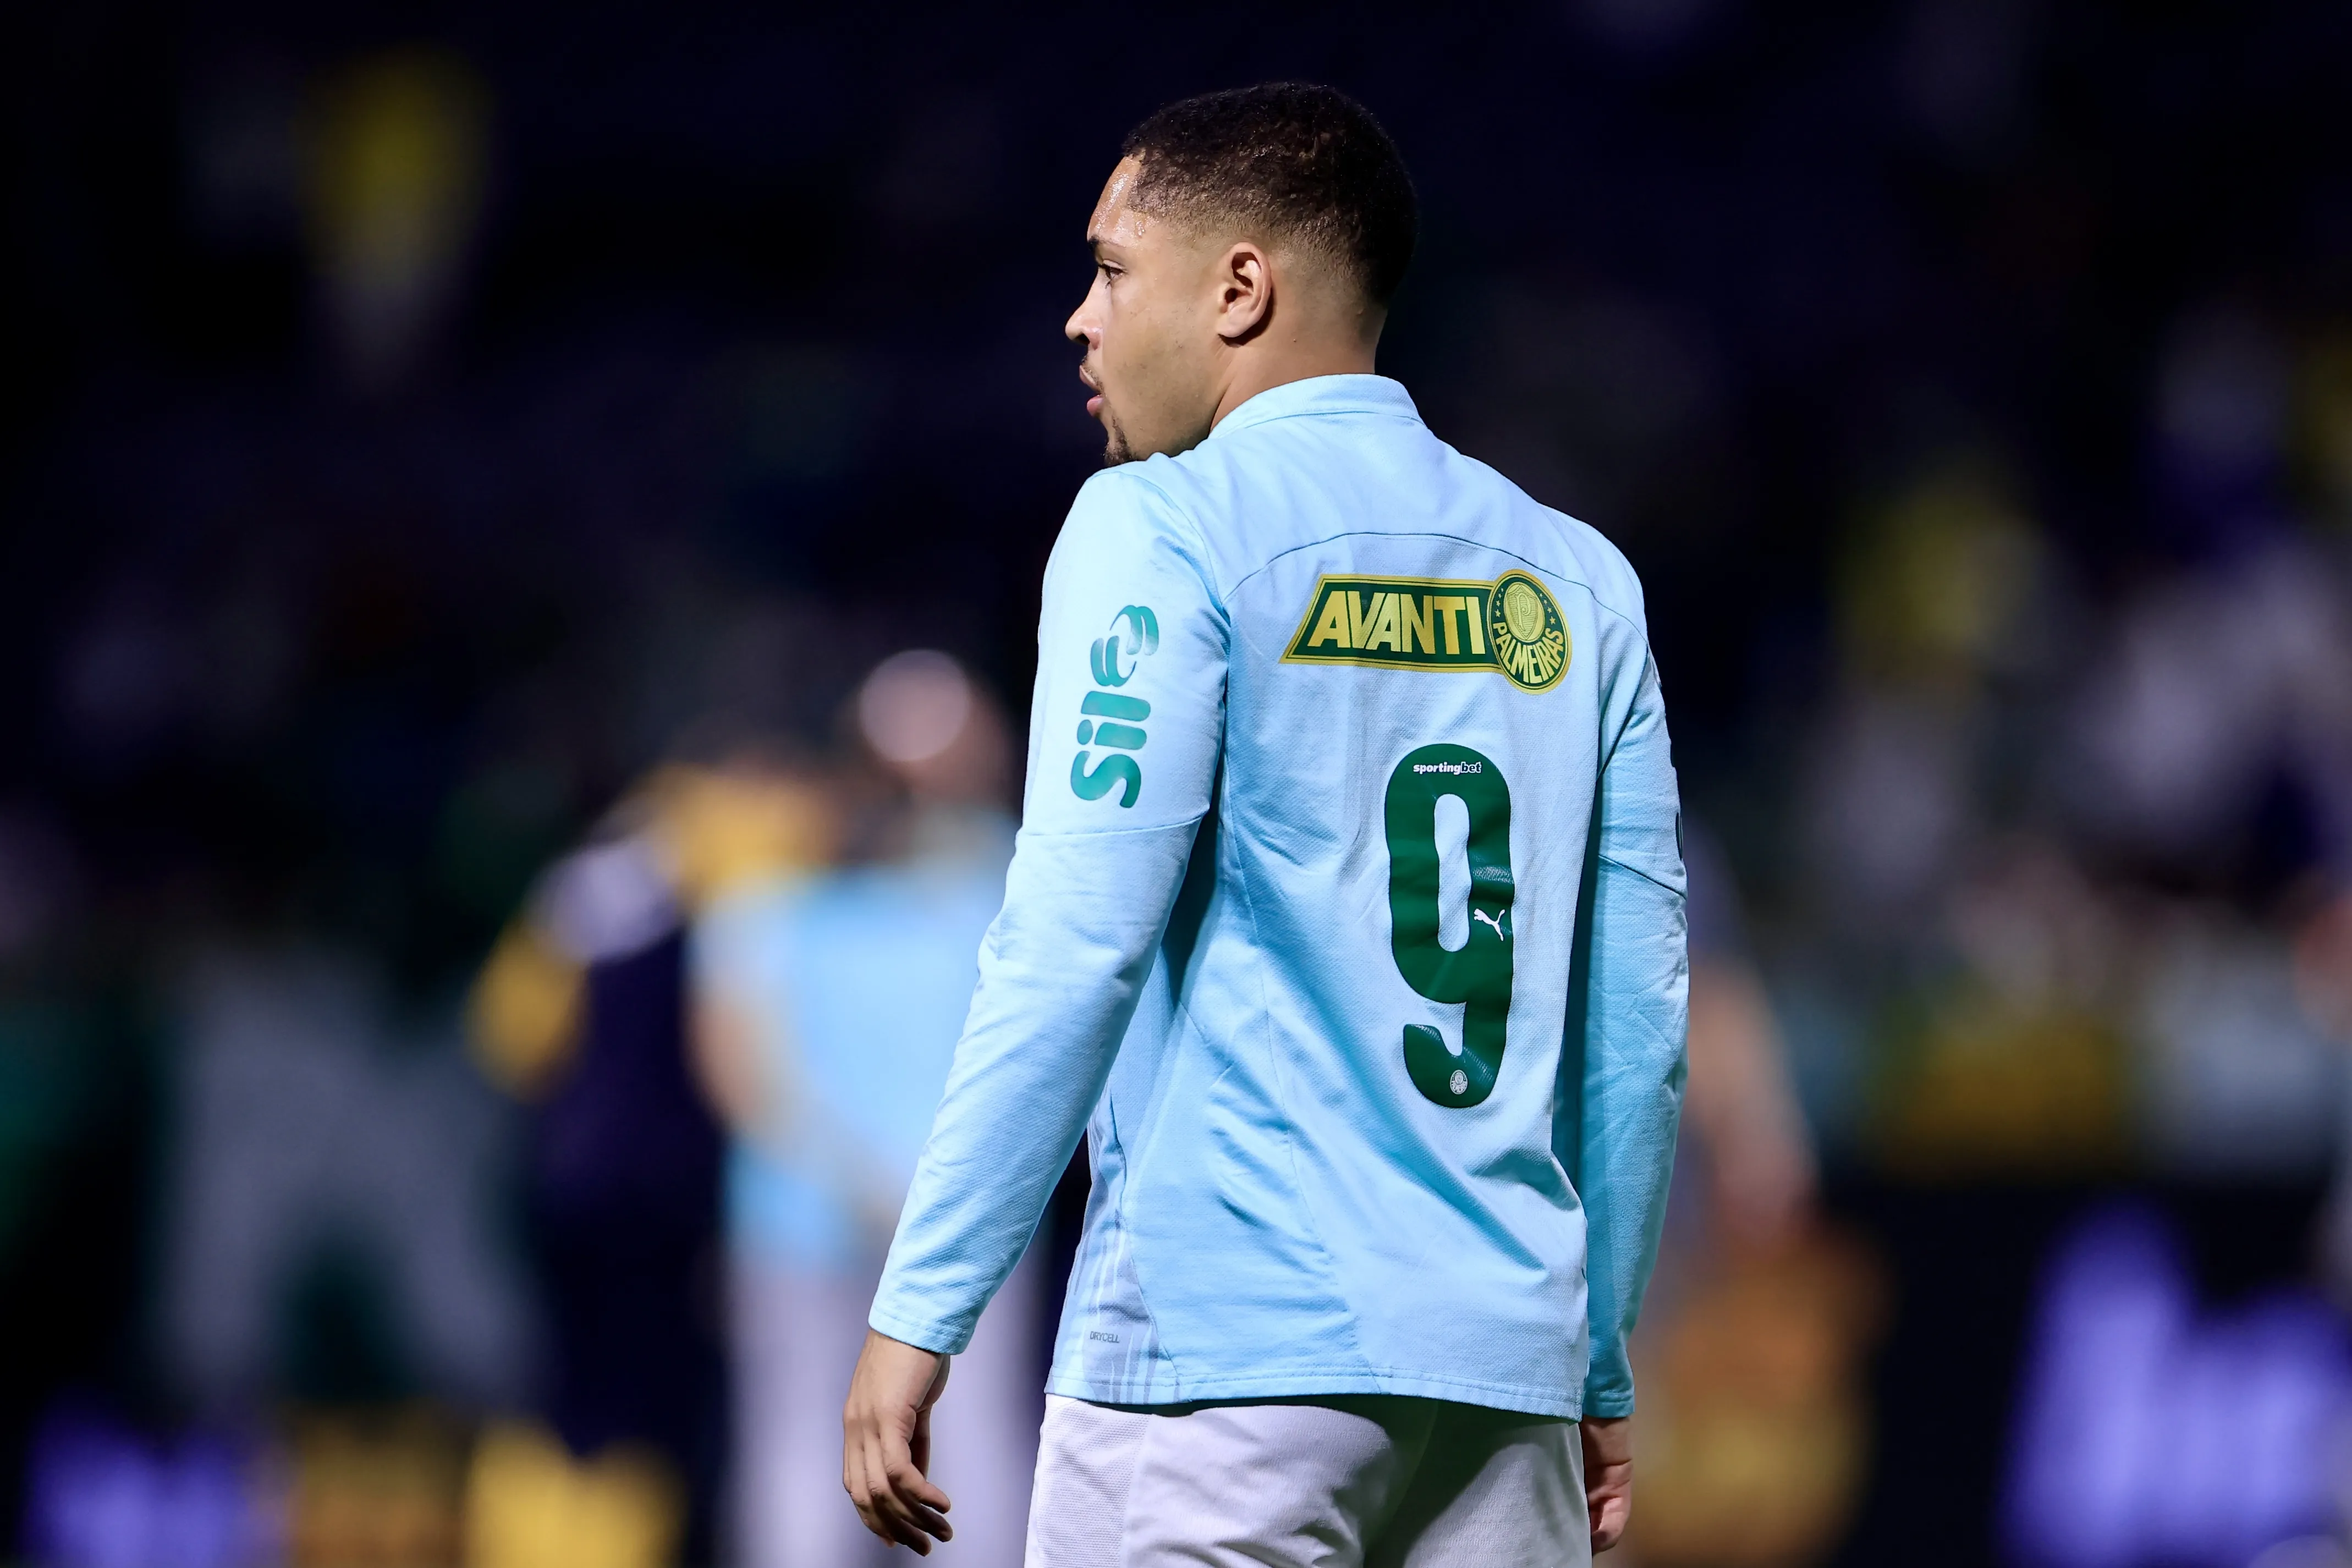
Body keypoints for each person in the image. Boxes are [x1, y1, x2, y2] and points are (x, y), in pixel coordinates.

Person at [843, 84, 1688, 1566]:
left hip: (1223, 1366)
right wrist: (1596, 1358)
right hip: (1504, 1380)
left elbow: (1074, 944)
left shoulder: (1160, 525)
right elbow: (1636, 1026)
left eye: (1112, 270)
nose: (1079, 320)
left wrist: (922, 1308)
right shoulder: (1581, 584)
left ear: (1240, 289)